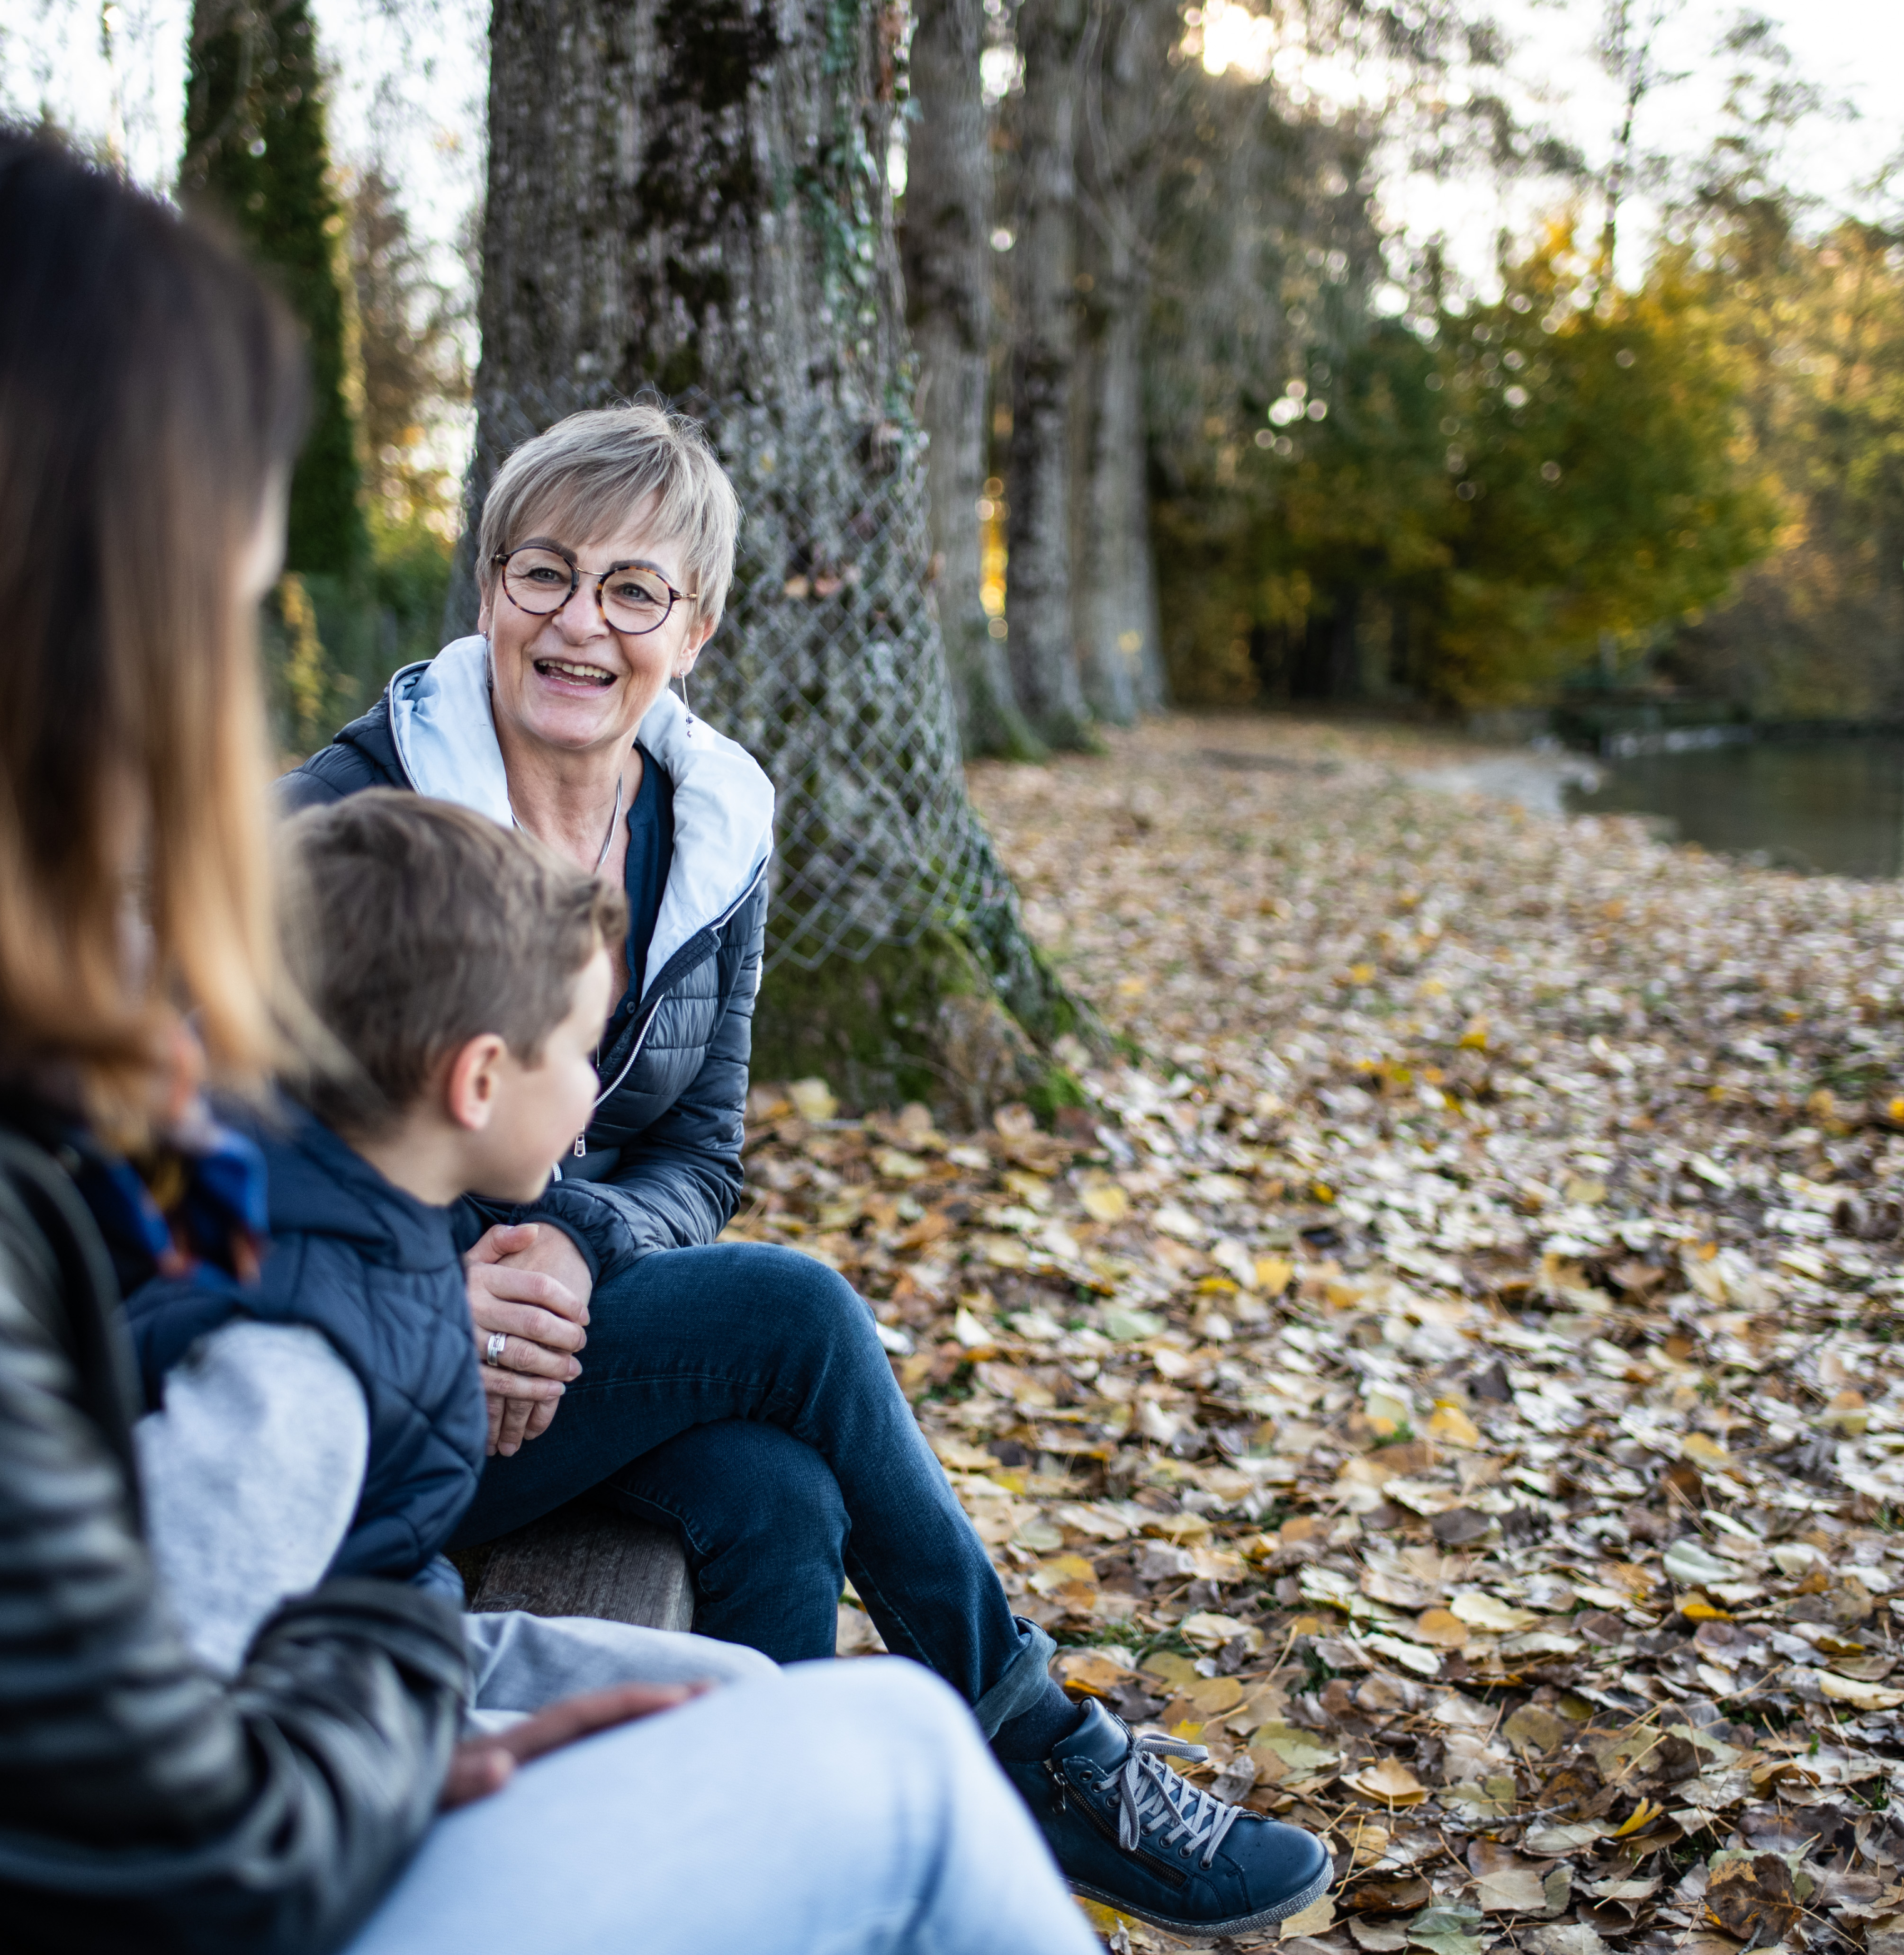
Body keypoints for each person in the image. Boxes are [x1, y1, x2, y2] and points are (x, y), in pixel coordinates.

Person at [0, 121, 1097, 1955]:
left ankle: (1018, 1738)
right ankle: (1026, 1738)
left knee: (768, 1539)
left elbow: (588, 1165)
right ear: (30, 617)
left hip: (94, 1731)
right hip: (124, 1815)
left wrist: (518, 1244)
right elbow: (181, 1845)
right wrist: (396, 1649)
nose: (221, 682)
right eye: (213, 606)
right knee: (880, 1759)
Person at [286, 404, 1331, 1938]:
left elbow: (701, 1149)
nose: (580, 622)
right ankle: (1043, 1742)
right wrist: (460, 1274)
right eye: (543, 574)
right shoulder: (356, 815)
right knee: (792, 1313)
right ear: (487, 585)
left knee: (775, 1496)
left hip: (561, 1342)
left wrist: (579, 1241)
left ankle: (756, 1891)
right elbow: (230, 1122)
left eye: (632, 590)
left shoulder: (712, 828)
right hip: (370, 1348)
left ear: (693, 626)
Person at [124, 788, 779, 1734]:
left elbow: (373, 1595)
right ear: (476, 1081)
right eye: (578, 1051)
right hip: (331, 1787)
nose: (594, 1092)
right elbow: (179, 1719)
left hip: (393, 1661)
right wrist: (449, 1770)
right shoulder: (291, 1374)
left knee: (747, 1701)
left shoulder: (377, 1224)